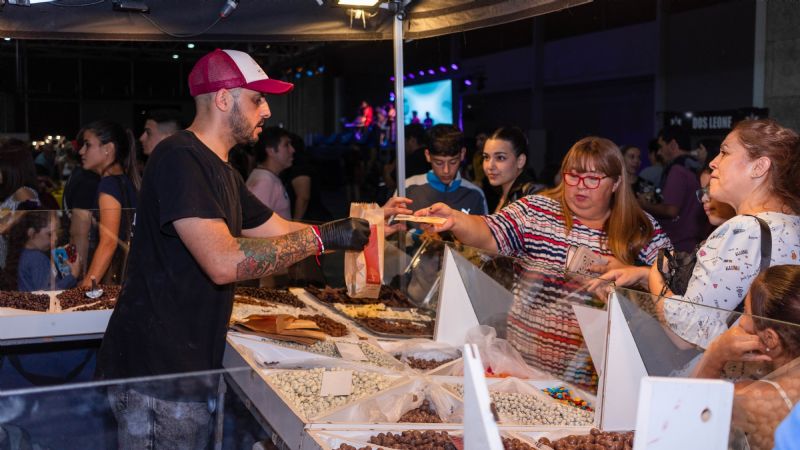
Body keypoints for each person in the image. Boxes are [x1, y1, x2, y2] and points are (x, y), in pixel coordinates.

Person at [94, 48, 370, 449]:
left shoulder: (222, 170)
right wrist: (324, 238)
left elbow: (278, 229)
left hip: (186, 363)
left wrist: (361, 228)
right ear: (224, 99)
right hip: (158, 371)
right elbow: (223, 261)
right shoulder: (179, 158)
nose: (267, 110)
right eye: (258, 99)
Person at [417, 136, 671, 387]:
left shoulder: (640, 229)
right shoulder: (536, 211)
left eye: (593, 179)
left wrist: (636, 273)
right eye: (573, 176)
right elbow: (489, 231)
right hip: (523, 365)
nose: (581, 186)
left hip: (594, 377)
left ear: (615, 183)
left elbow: (676, 286)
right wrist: (456, 220)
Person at [605, 119, 800, 350]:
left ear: (759, 167)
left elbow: (686, 335)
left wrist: (655, 275)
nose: (713, 162)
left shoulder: (743, 230)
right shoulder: (790, 224)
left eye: (724, 153)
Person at [693, 265, 800, 450]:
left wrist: (716, 354)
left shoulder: (749, 398)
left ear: (770, 338)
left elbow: (688, 418)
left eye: (746, 312)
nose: (741, 322)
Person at [76, 120, 141, 287]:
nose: (81, 151)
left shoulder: (109, 185)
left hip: (116, 280)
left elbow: (109, 242)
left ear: (108, 149)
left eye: (87, 145)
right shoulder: (127, 181)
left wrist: (86, 287)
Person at [639, 126, 706, 252]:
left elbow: (671, 210)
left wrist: (643, 204)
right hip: (694, 240)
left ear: (673, 145)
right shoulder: (697, 167)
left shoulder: (677, 170)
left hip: (679, 244)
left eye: (661, 146)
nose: (659, 153)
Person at [400, 124, 487, 216]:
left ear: (462, 154)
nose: (446, 170)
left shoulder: (475, 195)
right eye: (439, 163)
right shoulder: (407, 188)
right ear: (428, 155)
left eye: (453, 162)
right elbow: (394, 224)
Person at [482, 127, 545, 213]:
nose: (490, 166)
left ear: (520, 161)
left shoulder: (534, 195)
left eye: (500, 158)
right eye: (486, 157)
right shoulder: (492, 194)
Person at [13, 210, 80, 292]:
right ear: (31, 233)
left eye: (57, 233)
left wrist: (62, 265)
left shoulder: (26, 253)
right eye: (49, 234)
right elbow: (46, 293)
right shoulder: (37, 258)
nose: (55, 238)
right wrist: (73, 276)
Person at [0, 139, 41, 269]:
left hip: (15, 267)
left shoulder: (25, 194)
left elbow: (5, 227)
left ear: (12, 168)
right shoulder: (15, 194)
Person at [246, 126, 294, 219]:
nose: (292, 150)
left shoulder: (268, 178)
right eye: (286, 145)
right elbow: (256, 222)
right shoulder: (264, 183)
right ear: (271, 151)